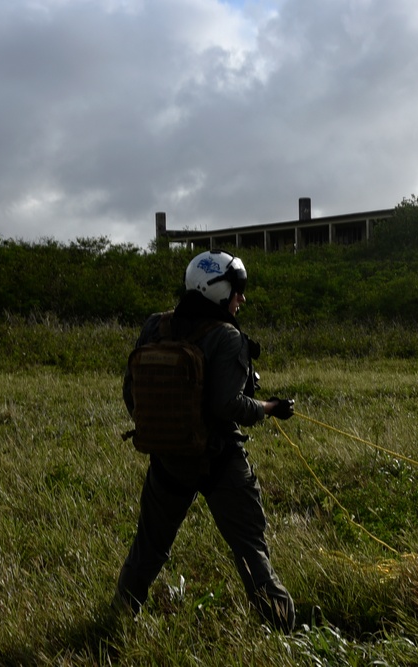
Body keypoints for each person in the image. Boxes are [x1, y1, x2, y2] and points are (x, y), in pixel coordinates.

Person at [114, 249, 298, 632]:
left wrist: (168, 431)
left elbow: (131, 392)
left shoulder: (154, 326)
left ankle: (117, 619)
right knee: (251, 550)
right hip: (219, 461)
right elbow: (228, 405)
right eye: (237, 290)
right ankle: (284, 631)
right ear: (217, 291)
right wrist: (270, 407)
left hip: (167, 461)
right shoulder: (228, 337)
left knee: (148, 549)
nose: (241, 299)